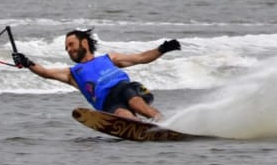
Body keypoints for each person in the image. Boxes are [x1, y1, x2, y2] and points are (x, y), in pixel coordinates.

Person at [12, 29, 180, 121]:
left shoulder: (109, 58)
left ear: (84, 42)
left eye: (71, 44)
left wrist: (162, 49)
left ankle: (162, 121)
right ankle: (145, 130)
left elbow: (141, 58)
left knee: (130, 96)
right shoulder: (73, 73)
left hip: (132, 90)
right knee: (123, 116)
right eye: (66, 48)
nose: (69, 49)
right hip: (109, 104)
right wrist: (27, 62)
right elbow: (46, 72)